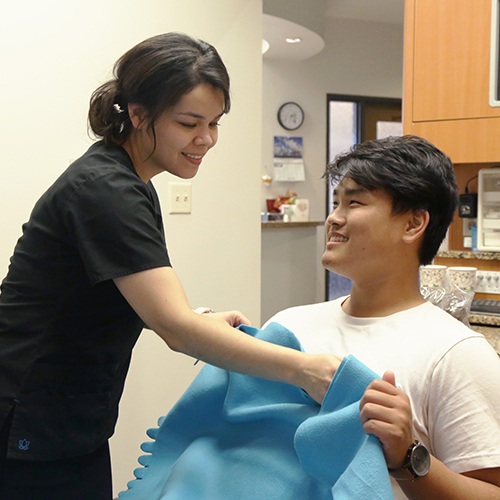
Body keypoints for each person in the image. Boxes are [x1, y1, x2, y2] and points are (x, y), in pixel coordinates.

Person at [0, 32, 340, 500]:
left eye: (215, 123)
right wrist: (306, 370)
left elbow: (120, 295)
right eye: (188, 123)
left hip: (64, 418)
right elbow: (175, 329)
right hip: (27, 416)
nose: (206, 139)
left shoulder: (127, 180)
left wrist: (199, 321)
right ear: (138, 114)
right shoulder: (107, 190)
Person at [265, 135, 500, 499]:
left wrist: (408, 456)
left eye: (354, 202)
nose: (333, 219)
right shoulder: (288, 327)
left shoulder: (455, 354)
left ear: (413, 224)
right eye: (335, 203)